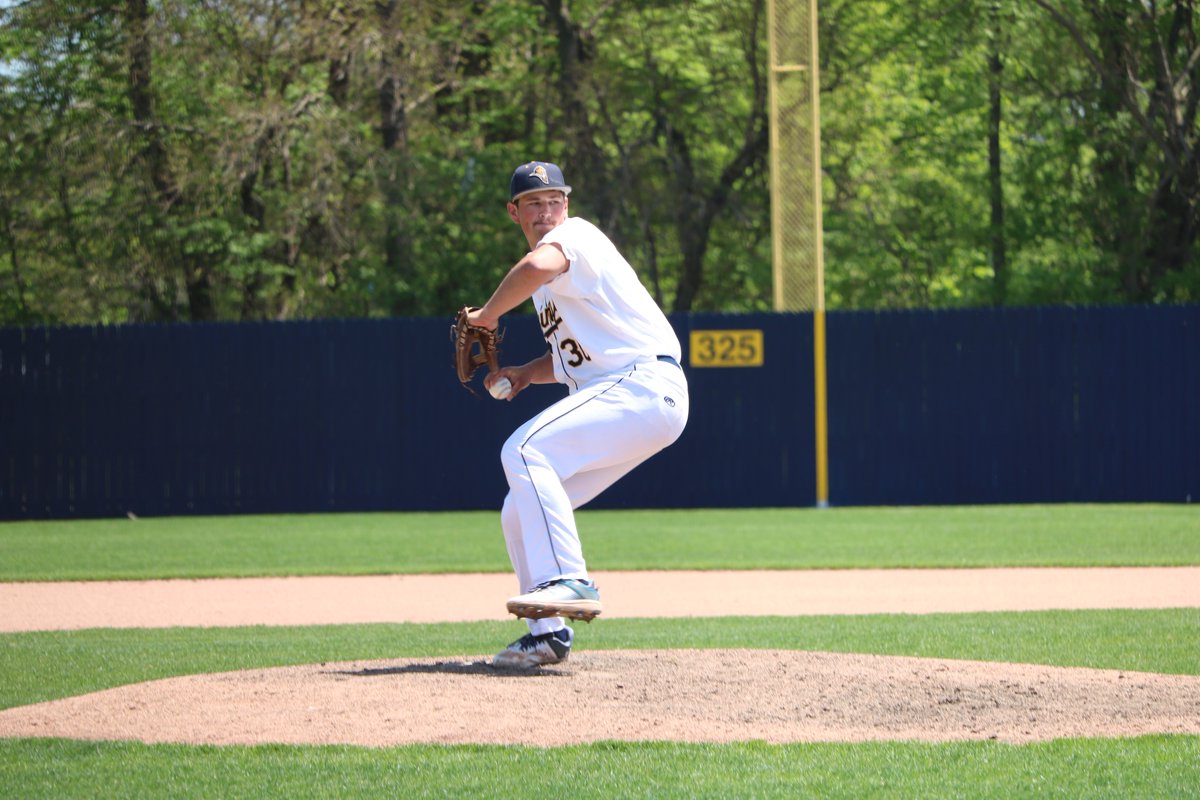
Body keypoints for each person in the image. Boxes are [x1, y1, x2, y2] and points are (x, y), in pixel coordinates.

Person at [467, 161, 689, 668]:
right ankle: (547, 635)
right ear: (514, 211)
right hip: (637, 397)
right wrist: (526, 372)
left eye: (554, 200)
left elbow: (535, 268)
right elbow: (575, 361)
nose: (546, 210)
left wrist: (487, 314)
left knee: (523, 449)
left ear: (567, 205)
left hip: (642, 384)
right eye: (534, 203)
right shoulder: (551, 287)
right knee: (519, 509)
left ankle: (571, 579)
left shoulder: (577, 237)